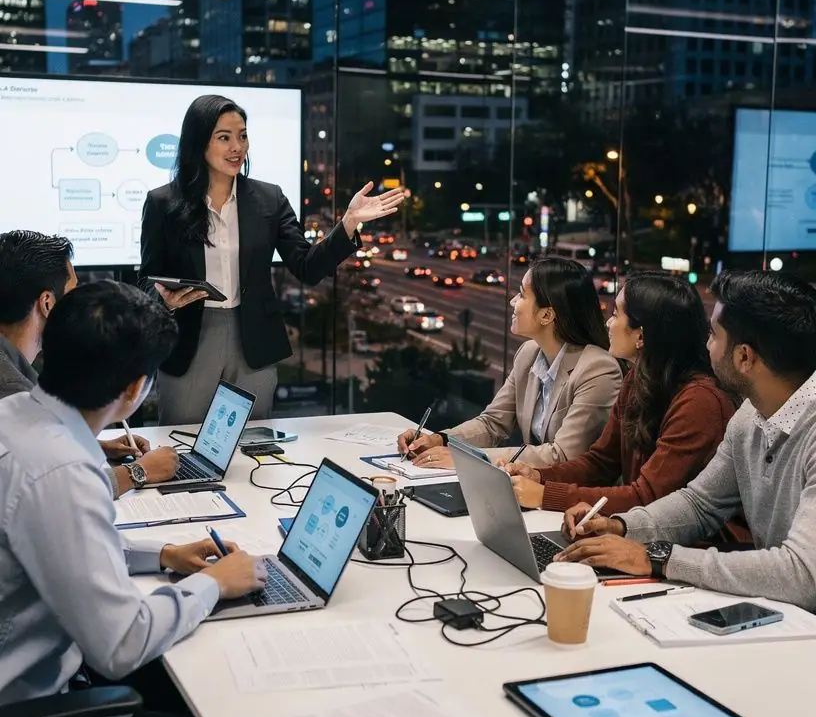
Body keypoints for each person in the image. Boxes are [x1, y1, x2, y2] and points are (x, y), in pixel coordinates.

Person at [0, 280, 265, 717]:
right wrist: (217, 584)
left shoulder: (20, 421)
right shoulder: (58, 466)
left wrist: (162, 560)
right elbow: (118, 643)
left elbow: (52, 552)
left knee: (163, 709)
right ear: (137, 387)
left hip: (23, 686)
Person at [559, 269, 816, 717]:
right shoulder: (755, 414)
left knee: (711, 714)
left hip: (802, 616)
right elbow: (702, 503)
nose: (706, 344)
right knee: (679, 687)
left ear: (746, 358)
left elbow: (801, 570)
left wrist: (660, 559)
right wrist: (622, 527)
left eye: (716, 334)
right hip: (782, 615)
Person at [140, 93, 406, 423]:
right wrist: (164, 299)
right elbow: (148, 279)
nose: (237, 147)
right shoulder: (163, 203)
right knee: (182, 438)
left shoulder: (269, 198)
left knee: (252, 440)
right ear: (199, 142)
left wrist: (347, 224)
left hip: (254, 337)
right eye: (224, 137)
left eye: (243, 135)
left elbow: (307, 267)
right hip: (190, 339)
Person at [501, 273, 743, 541]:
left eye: (616, 314)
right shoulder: (639, 379)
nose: (608, 323)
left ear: (641, 334)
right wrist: (538, 476)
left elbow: (647, 496)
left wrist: (546, 495)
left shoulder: (701, 402)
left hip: (690, 549)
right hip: (641, 536)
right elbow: (601, 462)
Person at [397, 256, 621, 468]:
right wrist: (439, 440)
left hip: (569, 499)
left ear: (547, 315)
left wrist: (466, 457)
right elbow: (493, 423)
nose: (513, 300)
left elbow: (562, 455)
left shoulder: (598, 370)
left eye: (522, 295)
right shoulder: (529, 353)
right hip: (527, 485)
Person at [0, 229, 178, 494]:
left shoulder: (12, 369)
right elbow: (56, 491)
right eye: (73, 293)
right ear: (47, 303)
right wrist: (139, 471)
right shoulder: (11, 389)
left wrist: (96, 446)